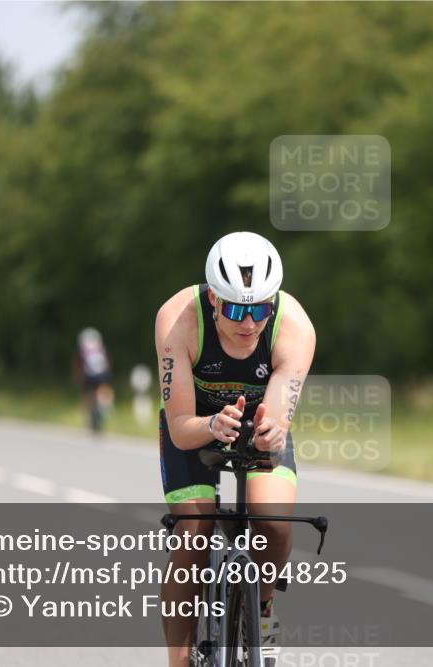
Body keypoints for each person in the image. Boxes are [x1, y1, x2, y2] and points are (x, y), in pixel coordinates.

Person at [154, 231, 315, 667]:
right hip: (195, 420)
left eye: (259, 309)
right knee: (193, 532)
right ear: (213, 299)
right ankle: (179, 660)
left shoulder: (294, 327)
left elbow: (278, 416)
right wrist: (211, 423)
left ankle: (261, 609)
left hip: (255, 419)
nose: (249, 323)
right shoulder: (177, 320)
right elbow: (182, 430)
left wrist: (272, 432)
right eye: (237, 309)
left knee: (274, 524)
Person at [73, 327, 113, 433]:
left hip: (88, 376)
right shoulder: (101, 348)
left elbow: (79, 365)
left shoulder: (83, 350)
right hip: (102, 374)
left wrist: (78, 378)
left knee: (88, 396)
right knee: (104, 390)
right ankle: (105, 406)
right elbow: (107, 362)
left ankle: (90, 416)